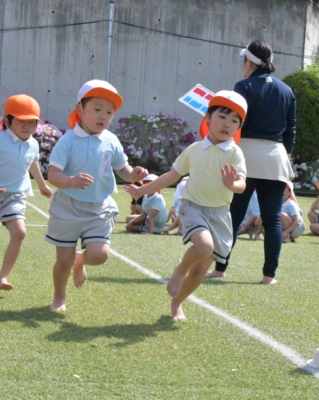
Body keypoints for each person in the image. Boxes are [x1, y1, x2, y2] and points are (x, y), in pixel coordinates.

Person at [125, 90, 247, 321]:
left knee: (200, 270)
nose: (227, 124)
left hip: (220, 215)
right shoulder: (194, 149)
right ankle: (180, 270)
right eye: (222, 116)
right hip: (194, 208)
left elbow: (241, 184)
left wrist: (233, 184)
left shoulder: (235, 152)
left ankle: (177, 303)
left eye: (234, 121)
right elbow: (171, 176)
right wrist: (141, 191)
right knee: (204, 247)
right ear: (208, 118)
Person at [45, 79, 148, 311]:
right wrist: (70, 181)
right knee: (63, 260)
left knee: (100, 255)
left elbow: (123, 169)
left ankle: (80, 259)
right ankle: (60, 297)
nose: (103, 116)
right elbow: (53, 175)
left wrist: (134, 174)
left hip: (99, 206)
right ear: (80, 109)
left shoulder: (111, 140)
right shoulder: (67, 141)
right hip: (67, 207)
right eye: (97, 109)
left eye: (109, 112)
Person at [208, 40, 296, 285]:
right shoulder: (286, 90)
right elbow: (291, 131)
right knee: (273, 218)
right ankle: (269, 276)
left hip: (245, 154)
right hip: (276, 157)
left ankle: (220, 268)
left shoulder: (243, 86)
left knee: (234, 215)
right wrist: (283, 156)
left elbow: (234, 122)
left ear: (249, 61)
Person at [0, 95, 53, 291]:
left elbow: (33, 163)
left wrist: (42, 185)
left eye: (32, 122)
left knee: (19, 233)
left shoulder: (33, 143)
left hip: (15, 196)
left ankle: (2, 277)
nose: (27, 126)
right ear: (7, 121)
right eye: (21, 121)